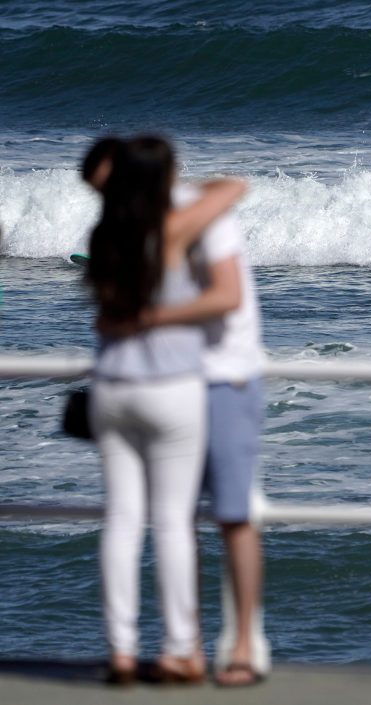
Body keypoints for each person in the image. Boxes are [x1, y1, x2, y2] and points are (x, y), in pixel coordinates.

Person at [82, 138, 269, 687]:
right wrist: (152, 318)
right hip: (174, 385)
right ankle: (182, 649)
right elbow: (234, 188)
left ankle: (136, 649)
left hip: (166, 381)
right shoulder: (172, 224)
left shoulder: (110, 229)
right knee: (172, 522)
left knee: (145, 518)